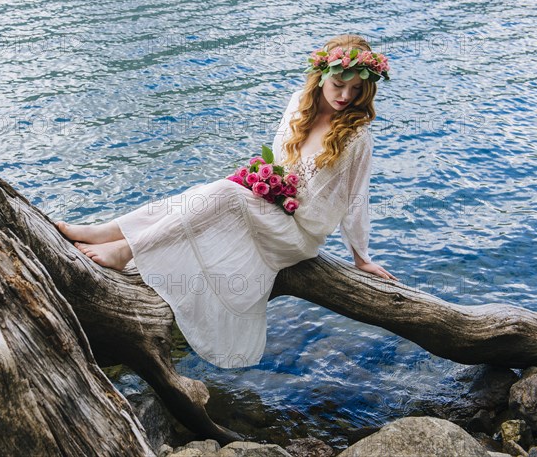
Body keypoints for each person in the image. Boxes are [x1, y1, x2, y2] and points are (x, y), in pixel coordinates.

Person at [56, 33, 398, 369]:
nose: (345, 96)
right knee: (200, 195)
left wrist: (361, 257)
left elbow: (356, 198)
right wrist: (267, 183)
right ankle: (107, 232)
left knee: (222, 192)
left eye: (356, 90)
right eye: (339, 84)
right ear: (321, 76)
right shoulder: (298, 104)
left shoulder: (356, 137)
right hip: (273, 207)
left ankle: (126, 250)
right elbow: (280, 161)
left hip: (298, 234)